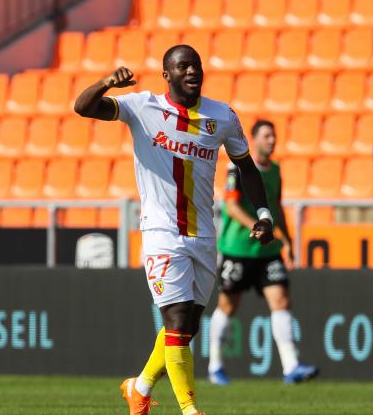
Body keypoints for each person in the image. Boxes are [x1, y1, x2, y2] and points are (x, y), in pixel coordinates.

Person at [74, 45, 274, 415]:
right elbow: (83, 107)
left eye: (196, 65)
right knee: (178, 319)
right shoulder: (142, 107)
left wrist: (264, 214)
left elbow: (246, 166)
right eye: (183, 66)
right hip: (161, 233)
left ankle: (139, 387)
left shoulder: (222, 116)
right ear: (167, 75)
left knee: (186, 328)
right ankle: (190, 409)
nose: (192, 71)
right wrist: (106, 83)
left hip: (203, 234)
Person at [207, 119, 318, 385]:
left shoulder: (275, 170)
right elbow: (231, 207)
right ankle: (215, 366)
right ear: (254, 139)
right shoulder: (237, 168)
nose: (272, 140)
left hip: (268, 250)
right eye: (266, 136)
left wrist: (287, 240)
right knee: (228, 306)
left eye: (273, 136)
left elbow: (277, 207)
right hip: (237, 248)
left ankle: (291, 367)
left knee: (281, 300)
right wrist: (258, 226)